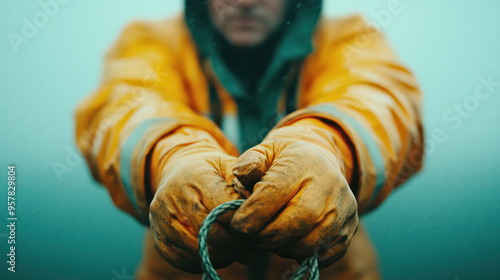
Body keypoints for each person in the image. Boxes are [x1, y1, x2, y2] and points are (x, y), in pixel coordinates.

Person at [75, 0, 424, 279]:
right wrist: (170, 159)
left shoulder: (347, 37)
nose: (243, 2)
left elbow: (380, 102)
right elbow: (122, 111)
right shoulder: (151, 42)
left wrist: (329, 148)